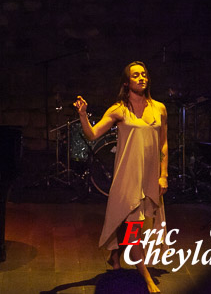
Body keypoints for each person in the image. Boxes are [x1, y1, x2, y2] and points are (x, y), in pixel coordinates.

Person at [74, 61, 167, 293]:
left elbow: (164, 144)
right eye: (136, 75)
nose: (141, 78)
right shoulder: (119, 110)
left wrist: (164, 174)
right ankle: (145, 276)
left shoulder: (160, 108)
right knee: (133, 225)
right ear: (127, 82)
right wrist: (83, 115)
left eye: (144, 74)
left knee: (135, 223)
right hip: (128, 178)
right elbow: (93, 134)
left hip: (150, 178)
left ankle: (115, 257)